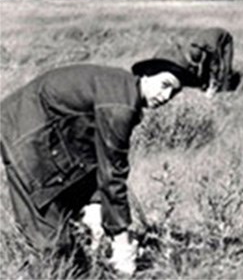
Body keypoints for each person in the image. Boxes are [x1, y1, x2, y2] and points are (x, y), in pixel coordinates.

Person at [0, 45, 200, 277]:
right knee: (51, 241)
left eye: (174, 93)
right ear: (147, 74)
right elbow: (112, 170)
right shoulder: (120, 105)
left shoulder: (122, 92)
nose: (166, 97)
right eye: (165, 85)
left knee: (72, 232)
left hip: (51, 137)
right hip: (24, 132)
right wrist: (122, 242)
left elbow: (92, 149)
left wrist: (95, 202)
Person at [185, 27, 236, 97]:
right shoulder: (194, 44)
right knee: (205, 64)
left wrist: (213, 82)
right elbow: (196, 62)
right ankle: (204, 84)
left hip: (226, 40)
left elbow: (215, 66)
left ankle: (226, 90)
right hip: (210, 40)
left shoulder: (212, 47)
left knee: (227, 67)